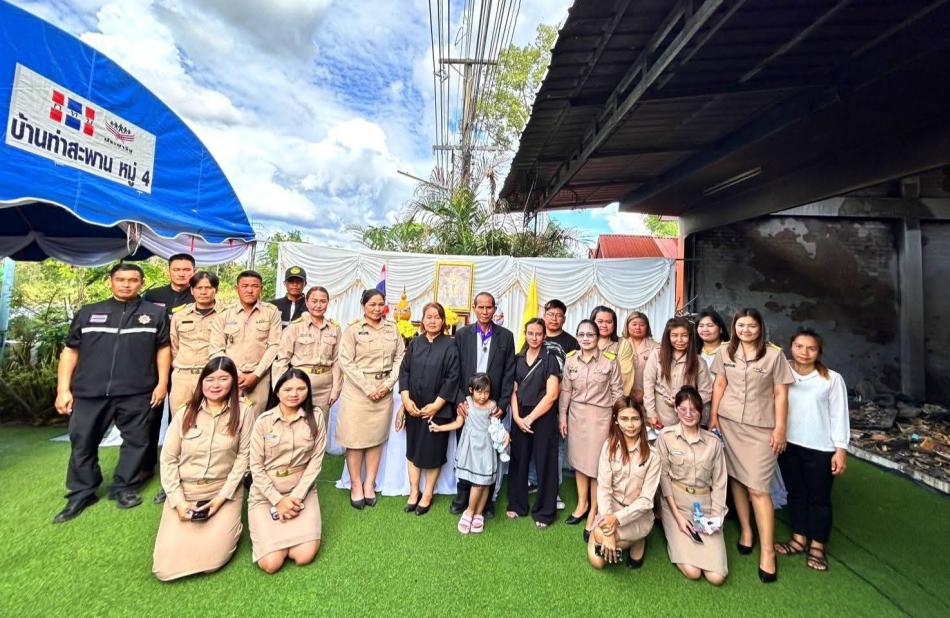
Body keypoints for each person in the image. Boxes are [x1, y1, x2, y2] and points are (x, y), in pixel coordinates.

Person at [53, 263, 170, 523]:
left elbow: (163, 349)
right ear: (111, 281)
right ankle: (82, 492)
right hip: (89, 391)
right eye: (120, 279)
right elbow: (71, 351)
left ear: (141, 283)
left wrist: (162, 383)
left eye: (132, 280)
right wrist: (63, 389)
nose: (126, 284)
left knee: (137, 441)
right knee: (82, 441)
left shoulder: (153, 314)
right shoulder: (89, 313)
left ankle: (124, 487)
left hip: (137, 391)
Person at [709, 308, 793, 583]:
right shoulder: (725, 352)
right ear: (734, 328)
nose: (746, 330)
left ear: (760, 328)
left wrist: (780, 429)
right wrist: (713, 419)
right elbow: (719, 384)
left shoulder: (773, 355)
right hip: (729, 422)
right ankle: (746, 530)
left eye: (751, 326)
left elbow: (781, 393)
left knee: (758, 488)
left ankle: (767, 552)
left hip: (761, 427)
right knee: (736, 479)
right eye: (741, 325)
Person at [152, 357, 252, 581]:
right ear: (201, 382)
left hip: (223, 490)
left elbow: (243, 457)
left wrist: (222, 498)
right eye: (210, 379)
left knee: (212, 562)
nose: (215, 385)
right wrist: (178, 501)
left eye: (223, 379)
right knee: (164, 569)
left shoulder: (244, 413)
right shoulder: (185, 412)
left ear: (233, 382)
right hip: (187, 490)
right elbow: (168, 460)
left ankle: (230, 524)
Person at [774, 329, 849, 573]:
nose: (804, 353)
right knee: (795, 493)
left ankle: (818, 545)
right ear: (791, 347)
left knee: (820, 497)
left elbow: (839, 416)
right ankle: (798, 538)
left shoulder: (831, 379)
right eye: (799, 346)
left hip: (820, 447)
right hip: (789, 443)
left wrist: (840, 449)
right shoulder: (782, 371)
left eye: (811, 348)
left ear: (819, 352)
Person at [248, 368, 327, 573]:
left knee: (304, 556)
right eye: (288, 389)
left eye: (301, 388)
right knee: (271, 563)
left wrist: (297, 496)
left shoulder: (315, 417)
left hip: (302, 491)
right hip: (267, 493)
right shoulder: (263, 422)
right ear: (277, 391)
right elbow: (255, 467)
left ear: (308, 391)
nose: (294, 394)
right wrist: (277, 500)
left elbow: (316, 461)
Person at [154, 270, 222, 505]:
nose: (204, 292)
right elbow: (172, 346)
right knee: (180, 429)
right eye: (199, 288)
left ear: (216, 290)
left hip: (212, 378)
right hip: (183, 377)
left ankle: (211, 479)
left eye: (209, 287)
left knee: (213, 428)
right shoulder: (179, 316)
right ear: (192, 291)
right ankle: (171, 483)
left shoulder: (226, 315)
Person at [337, 289, 406, 509]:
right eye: (372, 304)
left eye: (380, 304)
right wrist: (368, 388)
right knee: (355, 439)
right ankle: (356, 484)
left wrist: (387, 385)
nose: (377, 308)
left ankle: (370, 483)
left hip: (384, 390)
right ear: (363, 305)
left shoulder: (392, 328)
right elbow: (346, 361)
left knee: (376, 438)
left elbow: (401, 358)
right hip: (358, 391)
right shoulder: (353, 330)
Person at [450, 292, 515, 519]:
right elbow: (455, 370)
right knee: (465, 449)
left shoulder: (506, 336)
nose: (485, 311)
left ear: (494, 309)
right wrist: (459, 399)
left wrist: (504, 404)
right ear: (474, 308)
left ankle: (486, 500)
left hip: (492, 406)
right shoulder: (462, 334)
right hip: (468, 406)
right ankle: (462, 495)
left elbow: (509, 373)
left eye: (489, 308)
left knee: (490, 453)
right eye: (481, 307)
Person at [656, 386, 728, 585]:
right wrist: (677, 517)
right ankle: (670, 528)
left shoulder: (713, 443)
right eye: (683, 409)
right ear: (676, 410)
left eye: (694, 410)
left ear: (701, 412)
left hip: (704, 506)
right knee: (692, 571)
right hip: (676, 504)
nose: (688, 414)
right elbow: (663, 478)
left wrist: (716, 516)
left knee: (716, 577)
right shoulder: (666, 437)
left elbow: (720, 482)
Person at [559, 319, 623, 541]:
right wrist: (562, 417)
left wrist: (618, 421)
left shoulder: (609, 362)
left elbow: (617, 393)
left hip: (601, 417)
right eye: (582, 334)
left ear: (598, 338)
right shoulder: (571, 360)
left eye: (590, 335)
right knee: (578, 462)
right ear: (577, 337)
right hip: (576, 415)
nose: (586, 338)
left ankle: (594, 511)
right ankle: (581, 504)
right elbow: (565, 390)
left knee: (596, 467)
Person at [398, 302, 460, 515]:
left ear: (443, 321)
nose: (432, 320)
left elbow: (453, 378)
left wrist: (437, 405)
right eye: (428, 316)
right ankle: (414, 492)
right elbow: (404, 371)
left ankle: (428, 493)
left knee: (433, 453)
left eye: (437, 317)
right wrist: (406, 399)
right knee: (412, 450)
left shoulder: (451, 346)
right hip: (414, 408)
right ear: (422, 320)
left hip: (437, 410)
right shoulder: (415, 343)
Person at [431, 373, 509, 534]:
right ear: (471, 390)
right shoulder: (466, 404)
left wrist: (505, 435)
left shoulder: (493, 406)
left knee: (484, 482)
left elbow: (497, 427)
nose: (483, 396)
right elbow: (458, 423)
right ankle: (469, 511)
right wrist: (439, 428)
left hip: (486, 448)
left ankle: (477, 512)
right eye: (479, 392)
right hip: (471, 448)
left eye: (486, 392)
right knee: (476, 483)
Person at [141, 253, 195, 484]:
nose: (182, 273)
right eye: (177, 269)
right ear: (169, 271)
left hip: (186, 368)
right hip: (155, 365)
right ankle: (145, 466)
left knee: (182, 418)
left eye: (186, 269)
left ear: (194, 271)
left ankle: (181, 465)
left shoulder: (199, 295)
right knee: (150, 416)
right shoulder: (153, 296)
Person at [588, 401, 659, 570]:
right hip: (610, 509)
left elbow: (646, 501)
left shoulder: (653, 456)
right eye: (624, 419)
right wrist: (608, 521)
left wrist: (616, 520)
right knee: (597, 563)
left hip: (637, 515)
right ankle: (612, 536)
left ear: (642, 421)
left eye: (635, 419)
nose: (630, 425)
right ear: (616, 420)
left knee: (599, 534)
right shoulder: (609, 447)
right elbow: (604, 488)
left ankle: (638, 540)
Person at [507, 319, 562, 528]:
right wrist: (518, 417)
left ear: (544, 335)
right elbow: (512, 390)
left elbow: (552, 394)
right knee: (518, 460)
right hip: (520, 414)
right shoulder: (518, 358)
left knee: (545, 462)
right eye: (530, 333)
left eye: (538, 334)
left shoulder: (550, 359)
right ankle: (517, 504)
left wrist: (530, 418)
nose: (534, 337)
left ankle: (545, 512)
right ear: (525, 334)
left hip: (543, 416)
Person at [209, 270, 282, 419]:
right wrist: (235, 373)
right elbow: (216, 350)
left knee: (255, 423)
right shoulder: (224, 314)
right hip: (229, 376)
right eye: (245, 286)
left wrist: (255, 375)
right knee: (227, 421)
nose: (250, 290)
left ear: (261, 288)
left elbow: (275, 345)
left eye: (255, 286)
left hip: (259, 378)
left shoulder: (271, 313)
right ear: (237, 289)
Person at [273, 286, 342, 425]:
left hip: (325, 388)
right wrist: (280, 388)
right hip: (298, 385)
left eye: (323, 301)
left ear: (328, 303)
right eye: (314, 301)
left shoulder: (335, 329)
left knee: (319, 426)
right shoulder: (295, 327)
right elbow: (282, 360)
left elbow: (337, 361)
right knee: (296, 424)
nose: (318, 305)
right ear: (306, 302)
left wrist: (336, 389)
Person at [643, 317, 713, 428]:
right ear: (668, 336)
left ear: (690, 337)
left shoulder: (699, 361)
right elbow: (648, 385)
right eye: (674, 335)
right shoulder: (656, 355)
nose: (679, 340)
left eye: (684, 336)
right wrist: (651, 412)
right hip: (661, 415)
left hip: (688, 417)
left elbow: (706, 392)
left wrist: (686, 400)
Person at [617, 311, 659, 403]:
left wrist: (645, 393)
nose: (637, 327)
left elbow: (660, 375)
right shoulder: (618, 345)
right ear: (627, 326)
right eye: (634, 324)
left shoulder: (656, 347)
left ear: (647, 327)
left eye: (642, 325)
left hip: (648, 397)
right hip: (621, 396)